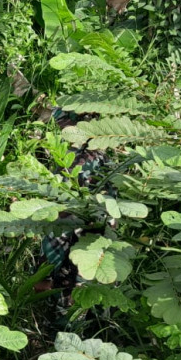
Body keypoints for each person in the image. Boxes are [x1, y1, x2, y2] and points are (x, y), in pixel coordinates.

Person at [36, 108, 116, 298]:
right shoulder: (105, 160)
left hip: (78, 230)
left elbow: (60, 220)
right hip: (88, 238)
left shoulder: (79, 161)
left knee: (72, 287)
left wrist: (43, 274)